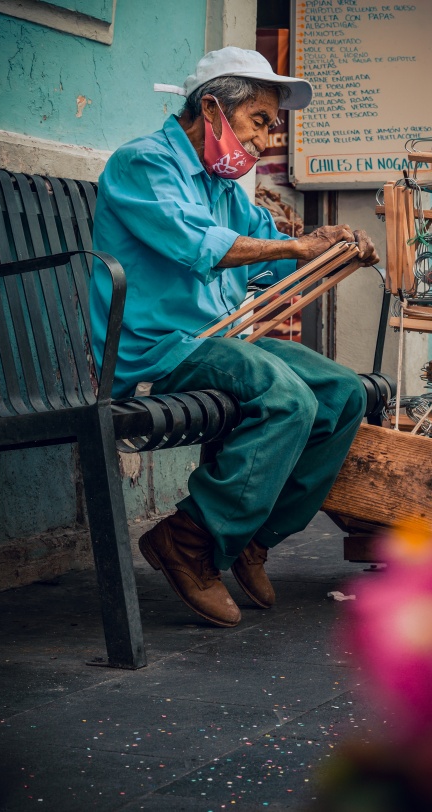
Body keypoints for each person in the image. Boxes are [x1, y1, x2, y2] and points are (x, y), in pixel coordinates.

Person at [90, 47, 380, 629]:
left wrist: (332, 250)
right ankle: (188, 540)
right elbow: (201, 246)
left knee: (344, 392)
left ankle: (252, 534)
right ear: (214, 109)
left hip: (218, 344)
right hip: (156, 352)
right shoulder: (143, 164)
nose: (269, 139)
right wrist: (295, 247)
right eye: (261, 122)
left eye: (273, 126)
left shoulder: (226, 190)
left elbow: (269, 263)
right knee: (286, 398)